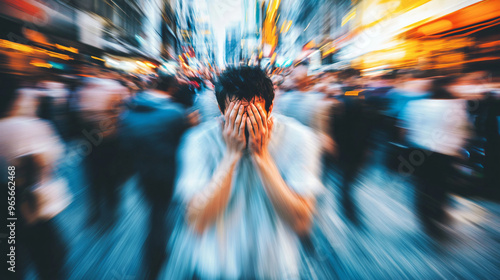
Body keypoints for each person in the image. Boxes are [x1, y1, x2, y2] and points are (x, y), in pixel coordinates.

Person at [165, 67, 323, 279]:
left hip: (275, 269)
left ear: (271, 107)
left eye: (255, 116)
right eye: (236, 117)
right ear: (222, 112)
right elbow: (197, 220)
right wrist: (231, 157)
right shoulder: (199, 142)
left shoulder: (299, 139)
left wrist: (262, 157)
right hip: (216, 268)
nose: (246, 125)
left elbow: (300, 221)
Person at [119, 73, 199, 280]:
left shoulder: (130, 110)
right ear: (171, 89)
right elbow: (187, 143)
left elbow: (125, 143)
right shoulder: (175, 113)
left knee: (155, 213)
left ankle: (153, 261)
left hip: (143, 172)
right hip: (169, 172)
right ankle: (160, 260)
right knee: (165, 216)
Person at [0, 67, 71, 280]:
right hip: (28, 203)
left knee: (10, 261)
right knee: (51, 257)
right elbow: (51, 160)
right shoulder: (28, 126)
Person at [399, 76, 473, 235]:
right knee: (441, 186)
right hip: (445, 154)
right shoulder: (458, 106)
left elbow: (404, 130)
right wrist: (460, 150)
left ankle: (425, 217)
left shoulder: (416, 105)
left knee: (422, 185)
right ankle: (438, 213)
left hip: (419, 151)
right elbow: (465, 132)